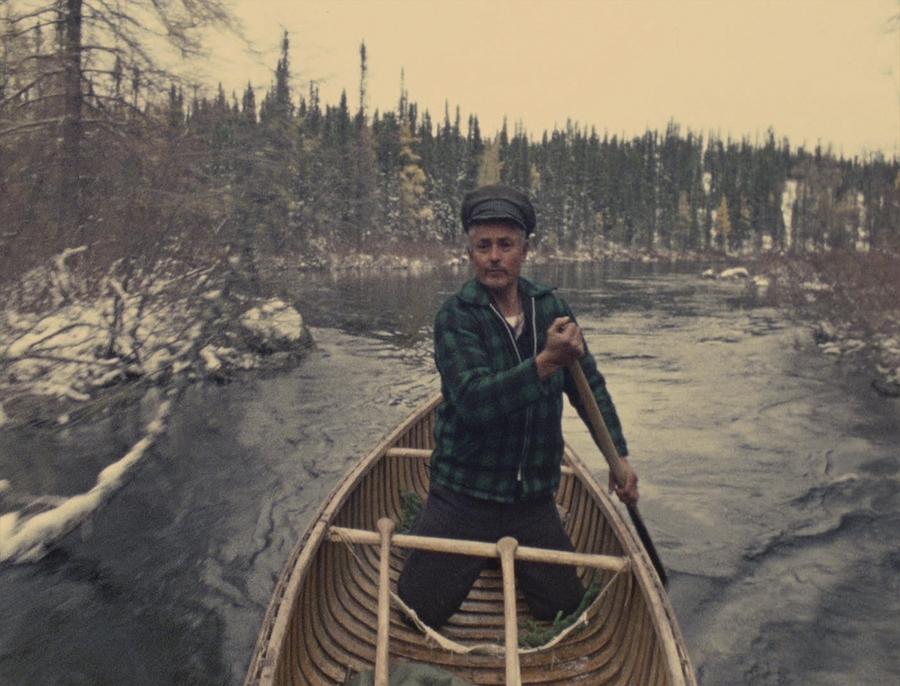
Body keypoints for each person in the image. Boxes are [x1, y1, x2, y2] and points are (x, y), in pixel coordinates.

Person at [397, 184, 639, 630]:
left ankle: (506, 549)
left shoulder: (551, 308)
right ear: (470, 253)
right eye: (483, 245)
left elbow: (590, 387)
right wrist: (546, 362)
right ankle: (470, 550)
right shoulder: (456, 316)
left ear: (524, 251)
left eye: (505, 245)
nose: (494, 256)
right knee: (415, 614)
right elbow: (473, 401)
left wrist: (617, 457)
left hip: (533, 495)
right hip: (464, 491)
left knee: (566, 613)